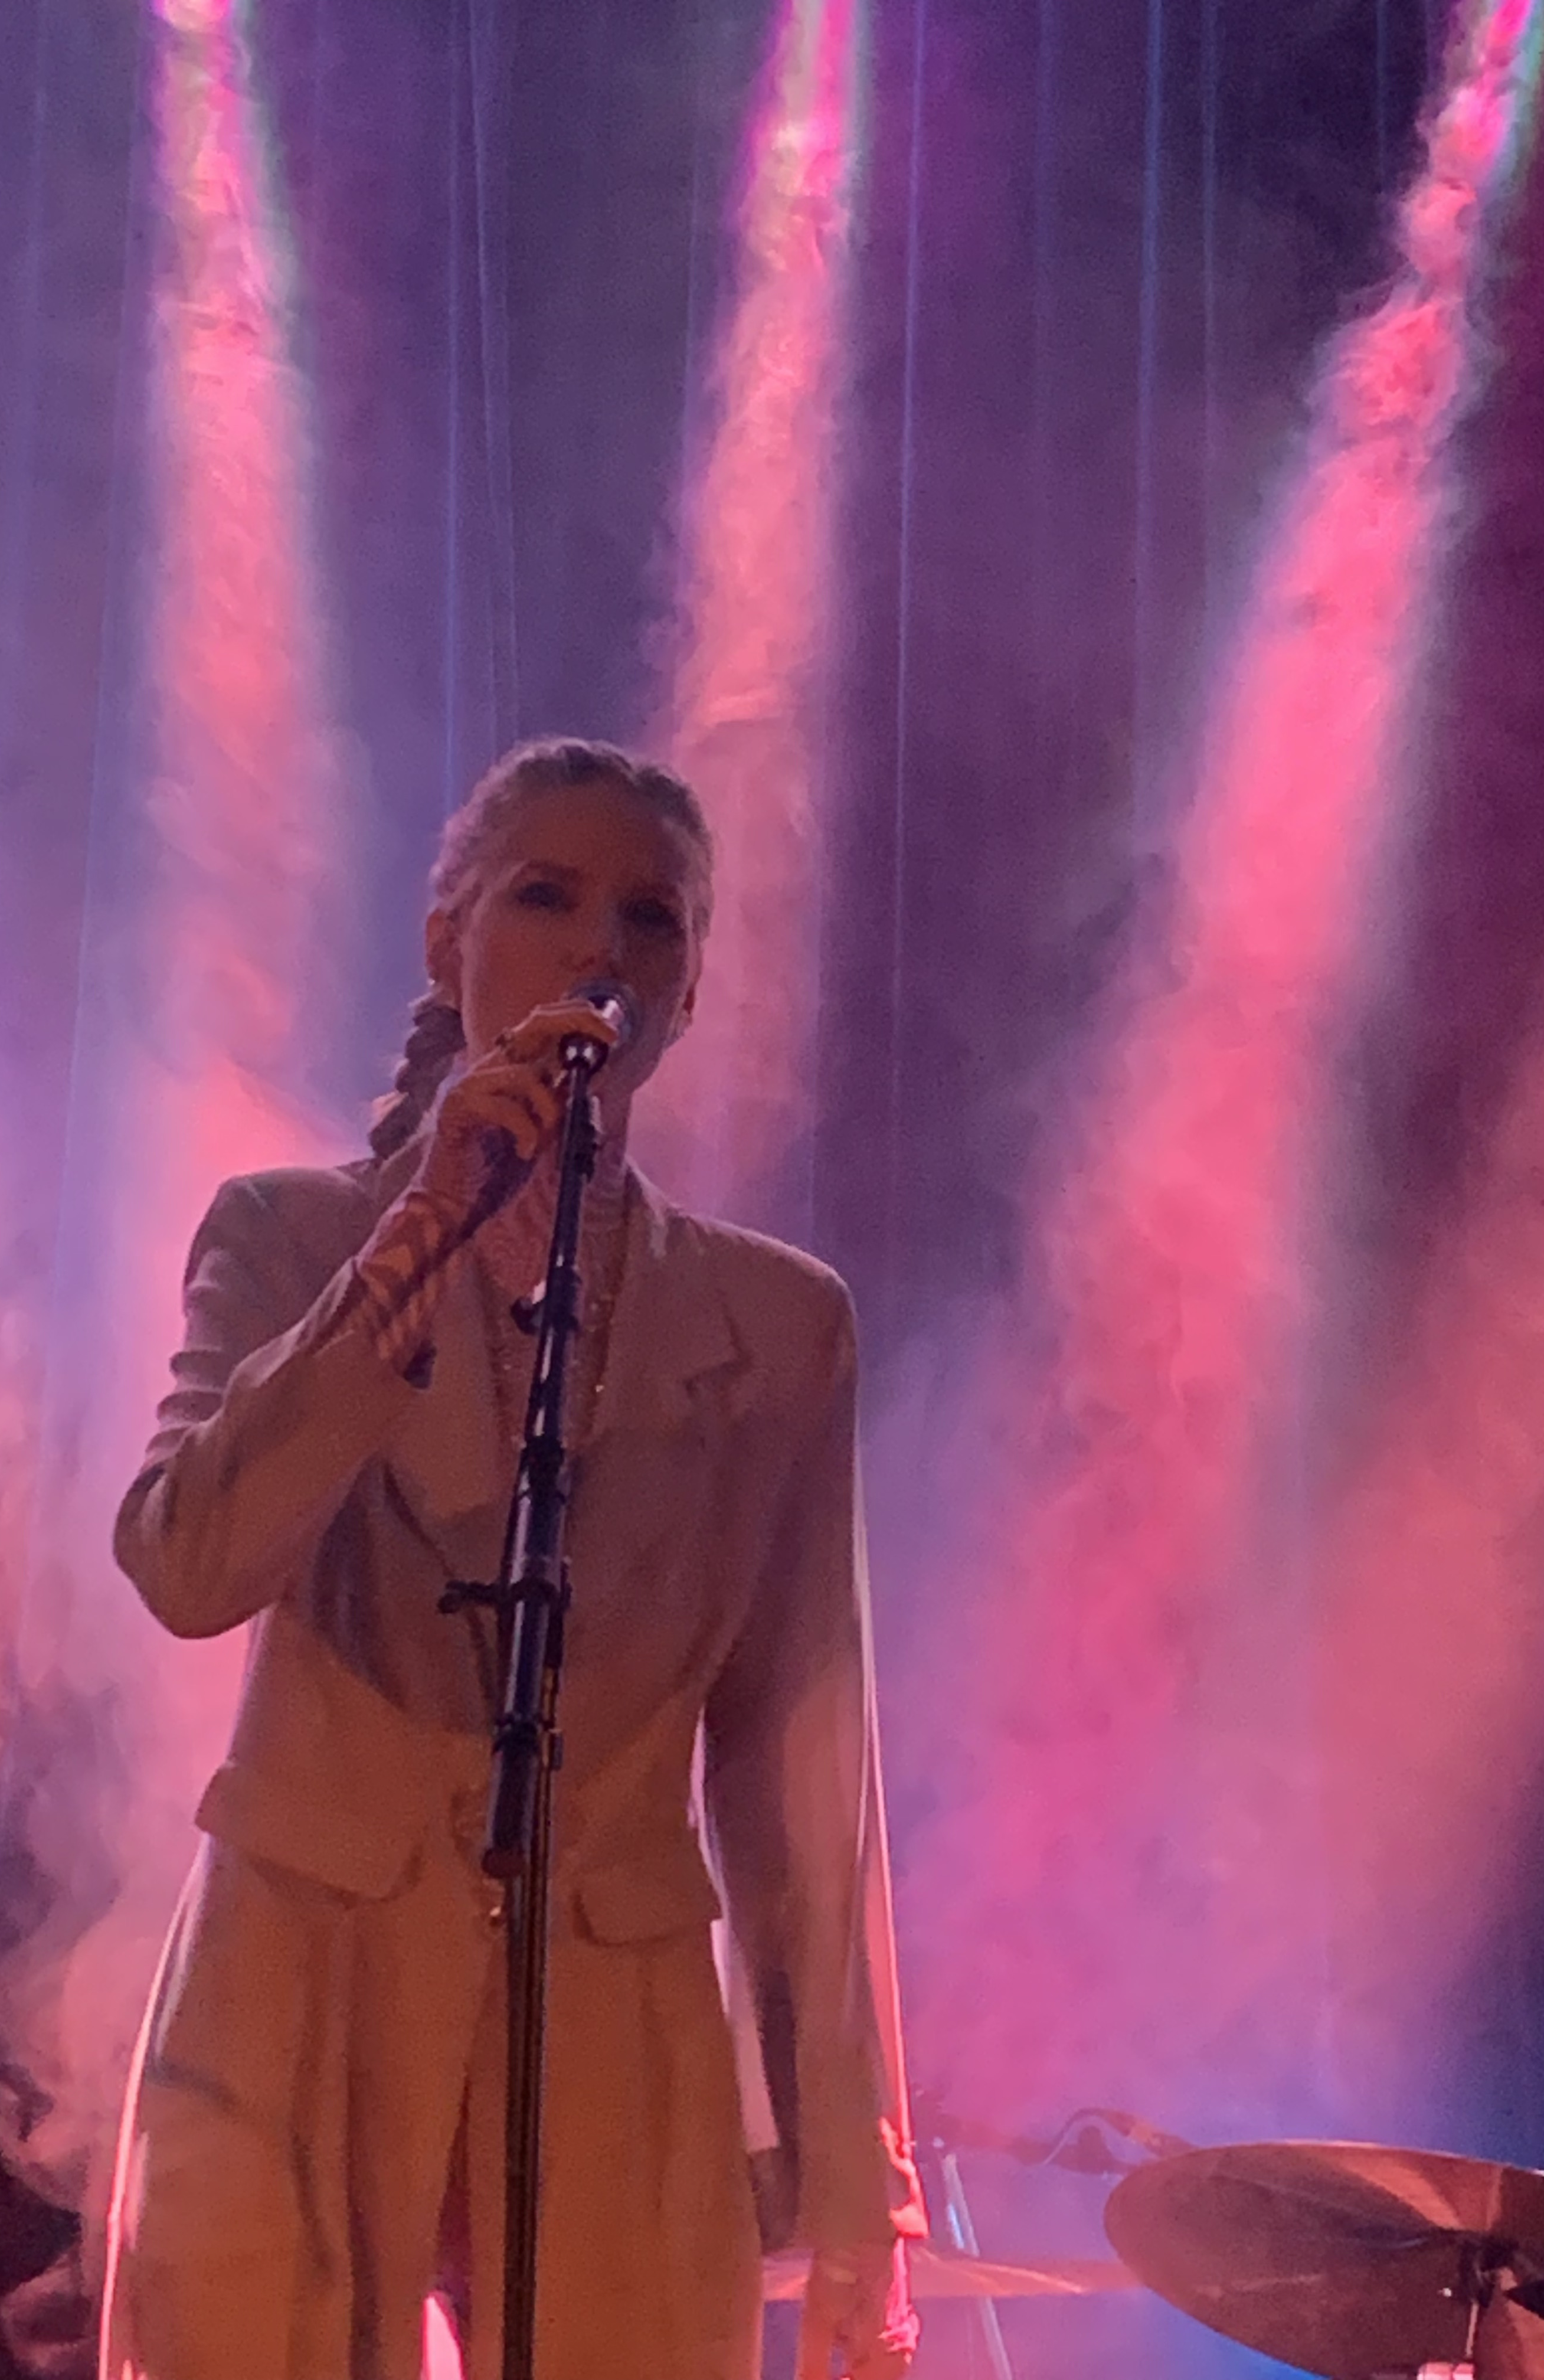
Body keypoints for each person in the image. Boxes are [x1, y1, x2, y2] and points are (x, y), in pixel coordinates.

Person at [99, 738, 925, 2380]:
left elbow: (800, 1766)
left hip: (611, 2005)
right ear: (448, 944)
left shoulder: (780, 1326)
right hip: (304, 1974)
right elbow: (188, 1564)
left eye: (652, 918)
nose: (600, 948)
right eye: (545, 896)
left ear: (690, 991)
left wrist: (851, 2177)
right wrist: (415, 1240)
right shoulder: (289, 1237)